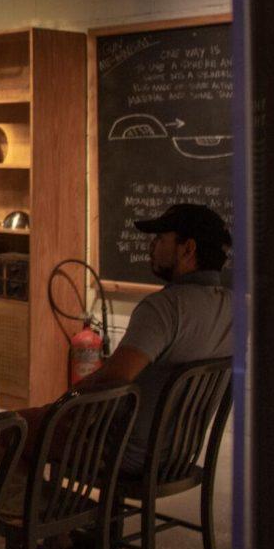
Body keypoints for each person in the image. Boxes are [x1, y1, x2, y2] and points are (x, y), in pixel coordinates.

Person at [77, 202, 232, 474]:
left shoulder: (164, 308)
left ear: (188, 249)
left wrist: (64, 403)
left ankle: (51, 512)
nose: (151, 246)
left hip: (126, 455)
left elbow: (113, 379)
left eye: (160, 238)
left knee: (20, 430)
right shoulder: (237, 308)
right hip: (181, 456)